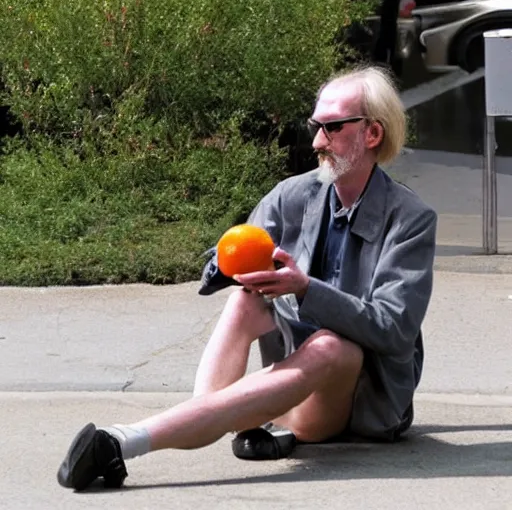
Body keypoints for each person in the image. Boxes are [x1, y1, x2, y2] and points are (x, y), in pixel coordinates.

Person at [57, 65, 437, 492]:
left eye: (331, 128)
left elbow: (395, 329)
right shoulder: (293, 195)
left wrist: (306, 289)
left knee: (330, 345)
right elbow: (232, 250)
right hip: (289, 382)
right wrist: (229, 264)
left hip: (359, 400)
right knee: (243, 301)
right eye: (315, 127)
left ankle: (123, 441)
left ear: (372, 134)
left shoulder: (410, 219)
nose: (316, 142)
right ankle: (222, 420)